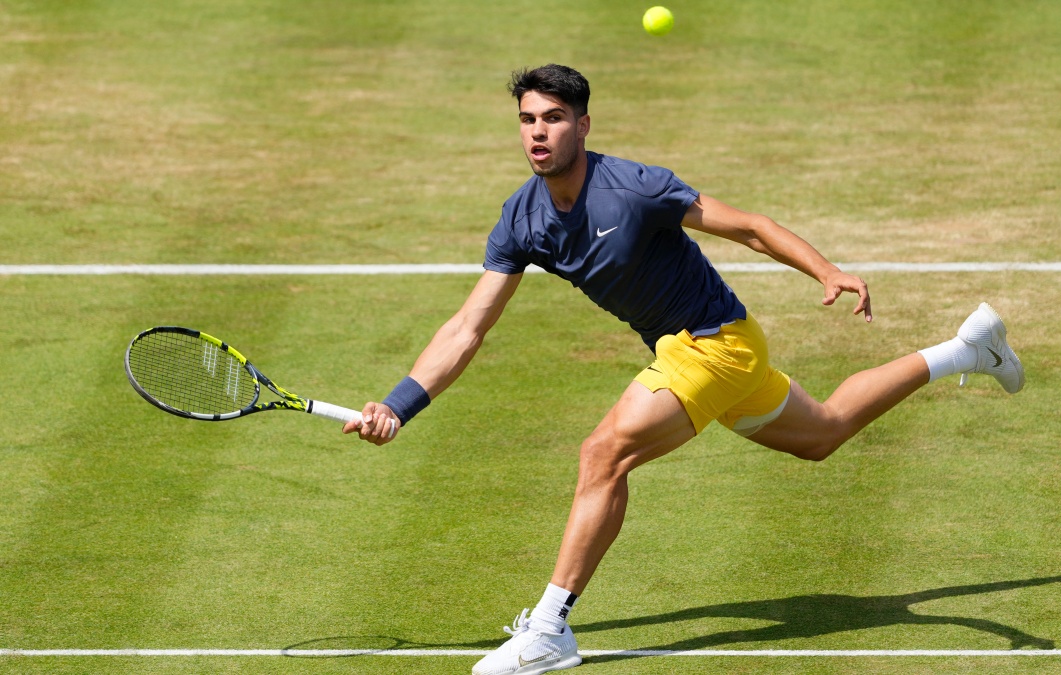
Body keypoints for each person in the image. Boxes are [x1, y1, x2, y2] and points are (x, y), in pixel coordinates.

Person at [344, 64, 1024, 675]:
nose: (538, 133)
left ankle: (550, 629)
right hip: (701, 352)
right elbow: (468, 326)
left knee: (603, 453)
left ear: (582, 124)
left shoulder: (634, 188)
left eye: (553, 118)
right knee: (824, 432)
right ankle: (968, 349)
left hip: (713, 344)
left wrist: (827, 269)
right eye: (527, 119)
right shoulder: (521, 219)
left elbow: (749, 226)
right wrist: (399, 404)